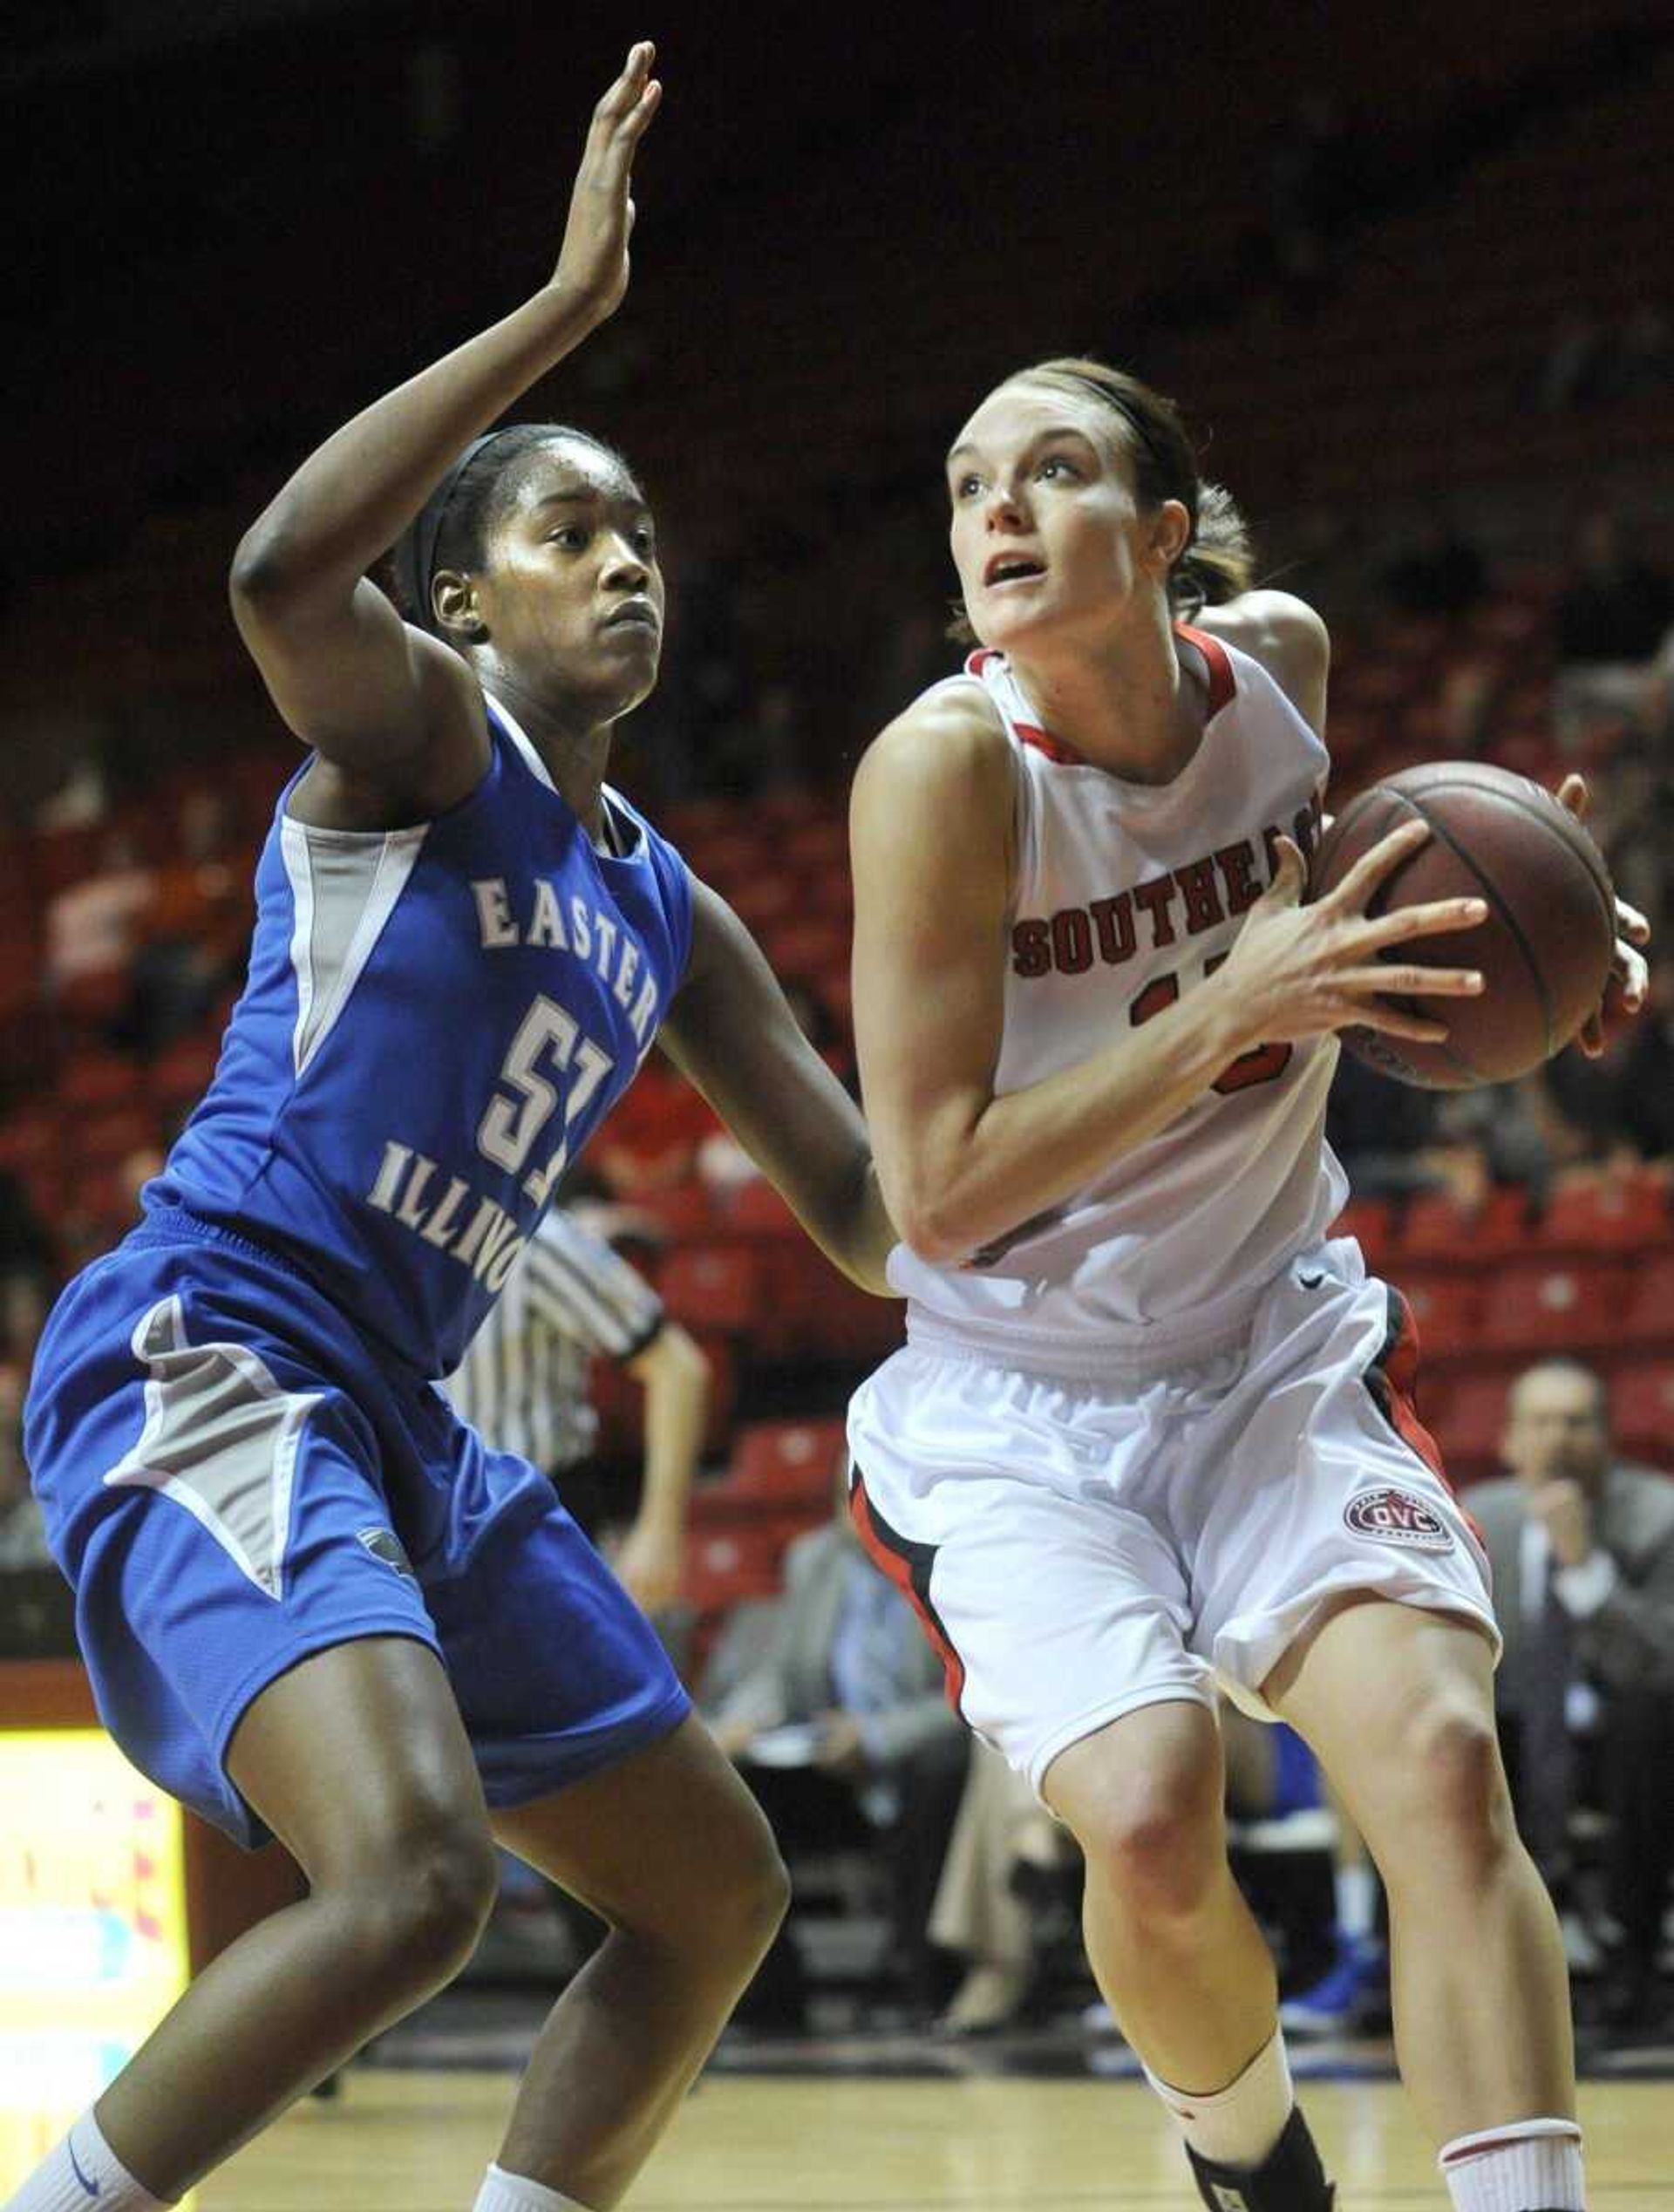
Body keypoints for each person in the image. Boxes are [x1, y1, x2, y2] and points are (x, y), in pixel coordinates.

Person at [13, 47, 895, 2212]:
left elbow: (881, 1209)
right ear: (472, 603)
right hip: (207, 1351)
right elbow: (276, 570)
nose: (623, 562)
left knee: (707, 1893)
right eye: (566, 528)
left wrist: (1210, 1037)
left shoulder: (665, 905)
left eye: (640, 532)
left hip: (396, 1415)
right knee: (407, 1876)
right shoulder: (423, 739)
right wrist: (560, 312)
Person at [844, 355, 1651, 2212]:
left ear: (1165, 533)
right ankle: (1249, 2160)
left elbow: (1385, 899)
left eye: (1052, 472)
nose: (998, 512)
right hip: (1018, 1401)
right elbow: (939, 1190)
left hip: (1268, 1341)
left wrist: (1544, 936)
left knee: (1446, 1761)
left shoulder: (1275, 664)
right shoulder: (944, 771)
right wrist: (1234, 1006)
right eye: (971, 482)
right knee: (1142, 1818)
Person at [703, 1453, 968, 2026]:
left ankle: (931, 1985)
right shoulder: (814, 1559)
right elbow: (783, 1672)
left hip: (916, 1758)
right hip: (827, 1761)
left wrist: (872, 1738)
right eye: (849, 1493)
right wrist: (739, 1723)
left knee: (942, 1766)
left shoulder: (951, 1565)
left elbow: (969, 1699)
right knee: (740, 1783)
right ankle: (771, 1998)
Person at [1471, 1359, 1674, 2037]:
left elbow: (1655, 1667)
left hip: (1626, 1741)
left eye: (1576, 1422)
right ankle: (1441, 1973)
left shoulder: (1657, 1516)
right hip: (1515, 1733)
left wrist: (1583, 1564)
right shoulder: (1481, 1521)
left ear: (1608, 1439)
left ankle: (1630, 1966)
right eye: (1541, 1422)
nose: (1558, 1438)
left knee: (1646, 1725)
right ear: (1508, 1441)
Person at [444, 1197, 710, 1615]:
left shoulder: (537, 1240)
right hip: (432, 1535)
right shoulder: (375, 1246)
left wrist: (660, 1528)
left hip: (539, 1528)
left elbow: (678, 1369)